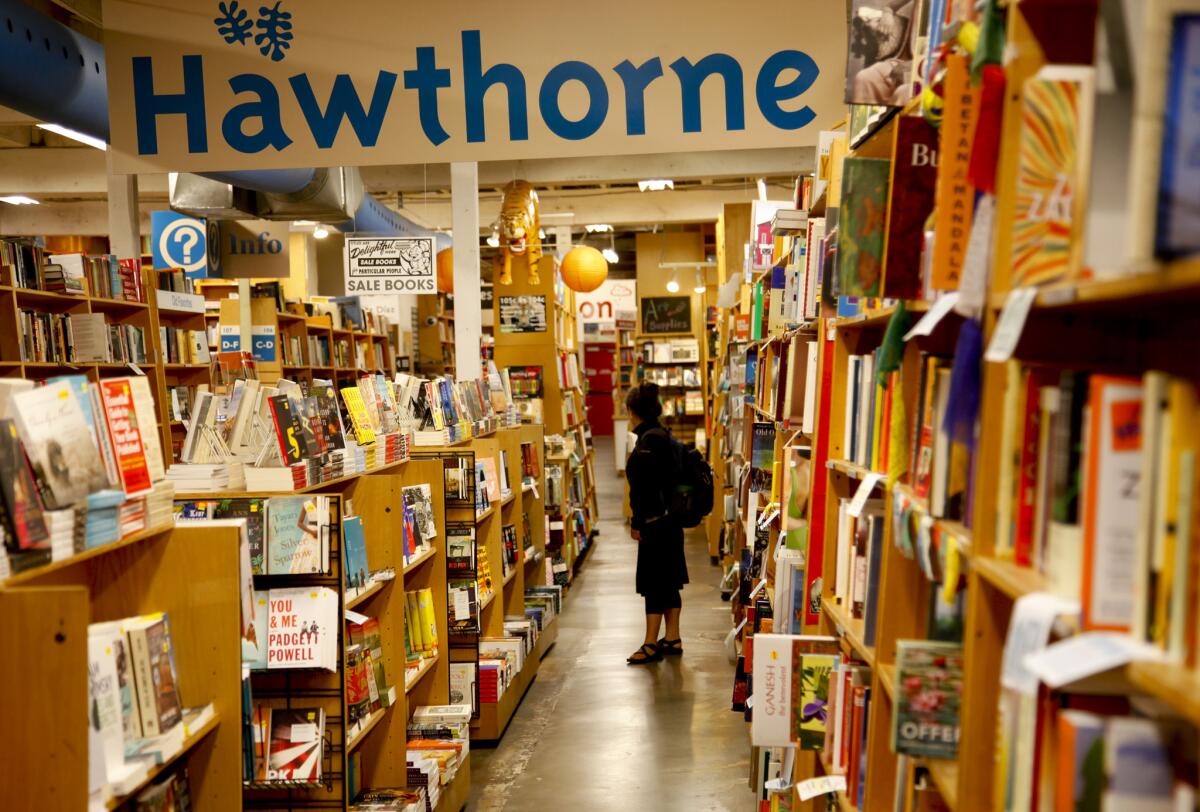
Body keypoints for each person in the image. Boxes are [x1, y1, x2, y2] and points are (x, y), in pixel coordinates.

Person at [624, 382, 689, 665]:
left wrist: (637, 522)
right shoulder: (664, 435)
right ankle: (672, 636)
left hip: (655, 523)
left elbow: (644, 490)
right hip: (671, 521)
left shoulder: (648, 442)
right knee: (670, 579)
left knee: (654, 584)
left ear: (632, 411)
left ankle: (651, 643)